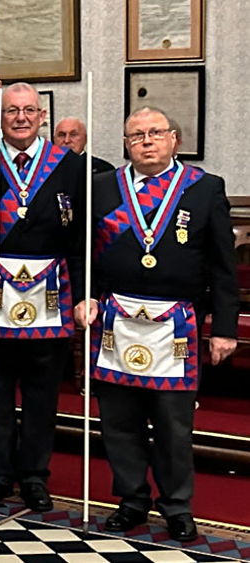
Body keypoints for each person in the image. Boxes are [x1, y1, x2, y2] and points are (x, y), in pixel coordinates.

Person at [75, 107, 238, 543]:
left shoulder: (204, 190)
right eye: (135, 136)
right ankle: (130, 500)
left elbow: (224, 267)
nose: (146, 141)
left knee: (172, 424)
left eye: (155, 133)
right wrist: (84, 295)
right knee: (119, 420)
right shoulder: (103, 188)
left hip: (176, 324)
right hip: (115, 319)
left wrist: (224, 328)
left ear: (174, 140)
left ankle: (177, 506)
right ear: (126, 144)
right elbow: (83, 252)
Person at [0, 82, 86, 512]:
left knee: (41, 395)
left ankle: (34, 476)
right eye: (12, 110)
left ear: (41, 116)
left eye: (29, 110)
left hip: (50, 298)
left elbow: (80, 238)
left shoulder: (69, 166)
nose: (20, 117)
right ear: (0, 114)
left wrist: (83, 294)